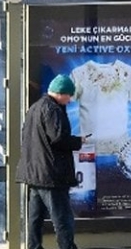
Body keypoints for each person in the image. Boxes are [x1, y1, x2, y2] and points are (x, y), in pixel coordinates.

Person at [17, 74, 86, 249]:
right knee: (62, 217)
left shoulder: (35, 107)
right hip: (50, 175)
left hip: (35, 172)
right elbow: (58, 138)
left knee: (35, 218)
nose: (70, 100)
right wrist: (79, 141)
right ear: (61, 93)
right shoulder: (53, 110)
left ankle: (33, 246)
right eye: (69, 95)